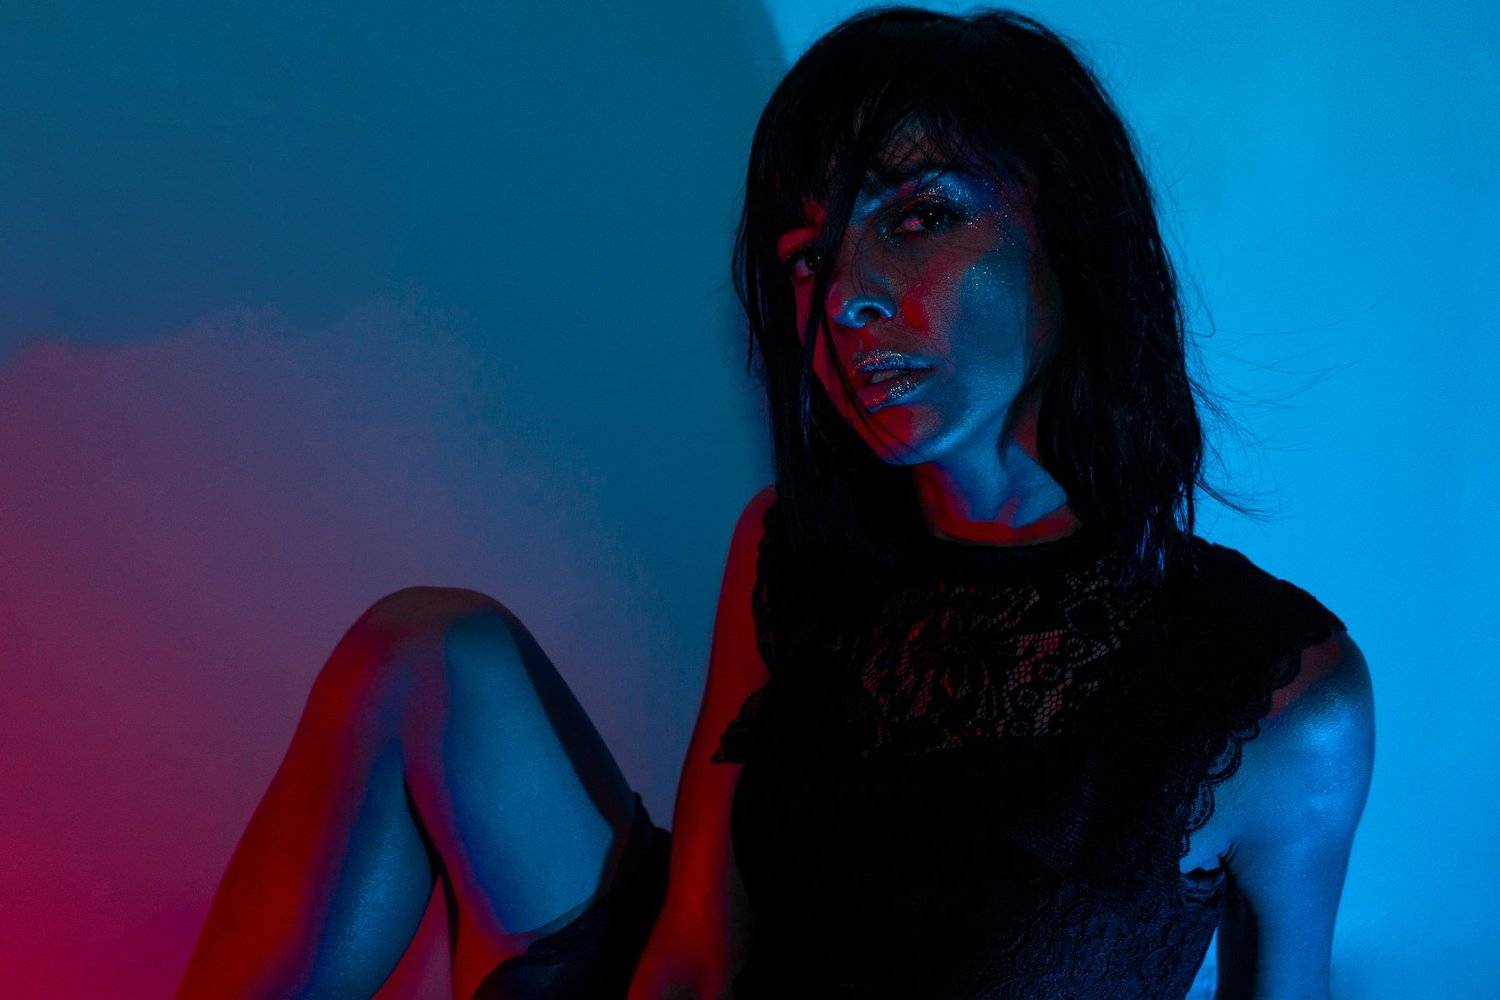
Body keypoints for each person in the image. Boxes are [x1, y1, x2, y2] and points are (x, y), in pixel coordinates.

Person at [177, 6, 1376, 999]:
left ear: (1072, 234)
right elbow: (695, 950)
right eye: (809, 258)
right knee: (430, 648)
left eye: (919, 217)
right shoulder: (793, 545)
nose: (846, 298)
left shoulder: (1282, 694)